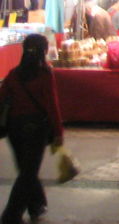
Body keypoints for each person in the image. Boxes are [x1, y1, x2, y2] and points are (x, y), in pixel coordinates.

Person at [0, 33, 64, 224]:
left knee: (26, 168)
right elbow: (52, 105)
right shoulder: (44, 74)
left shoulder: (13, 74)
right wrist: (58, 131)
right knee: (28, 172)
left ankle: (36, 204)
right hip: (35, 129)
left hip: (14, 129)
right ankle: (11, 215)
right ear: (43, 52)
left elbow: (2, 99)